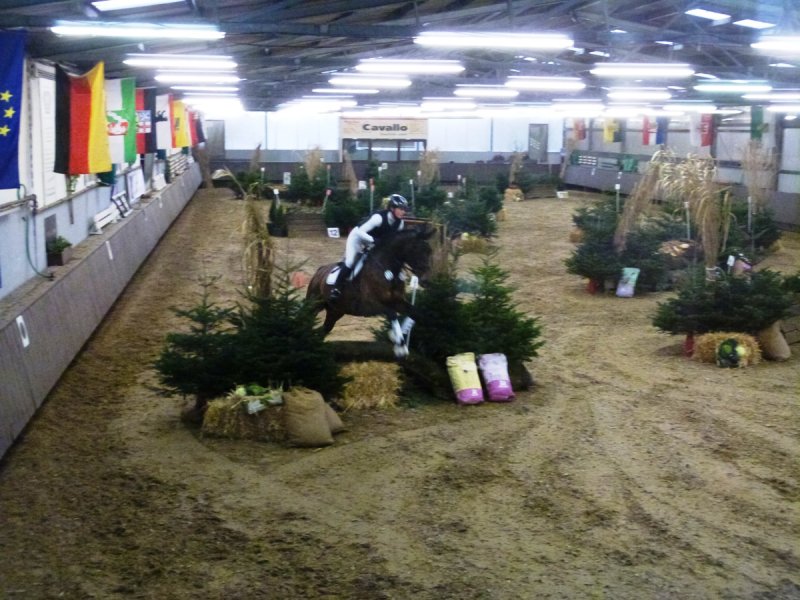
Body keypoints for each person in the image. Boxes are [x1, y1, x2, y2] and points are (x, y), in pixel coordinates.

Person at [329, 193, 409, 299]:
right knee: (350, 261)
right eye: (401, 209)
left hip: (374, 242)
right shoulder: (378, 218)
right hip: (357, 238)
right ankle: (336, 287)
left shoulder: (400, 224)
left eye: (404, 209)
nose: (403, 212)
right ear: (392, 208)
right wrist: (373, 240)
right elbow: (360, 231)